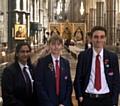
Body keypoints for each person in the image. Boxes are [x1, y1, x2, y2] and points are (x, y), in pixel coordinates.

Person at [74, 26, 120, 106]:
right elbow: (78, 79)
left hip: (107, 99)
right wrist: (80, 96)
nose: (99, 40)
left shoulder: (112, 57)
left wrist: (114, 101)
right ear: (91, 38)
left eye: (102, 37)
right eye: (96, 37)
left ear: (105, 38)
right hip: (88, 98)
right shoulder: (83, 56)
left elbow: (116, 81)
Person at [35, 34, 72, 106]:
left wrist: (64, 103)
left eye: (58, 44)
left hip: (62, 102)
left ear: (62, 45)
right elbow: (39, 85)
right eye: (53, 44)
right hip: (47, 102)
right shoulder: (42, 62)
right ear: (49, 45)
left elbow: (69, 84)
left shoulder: (65, 63)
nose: (56, 47)